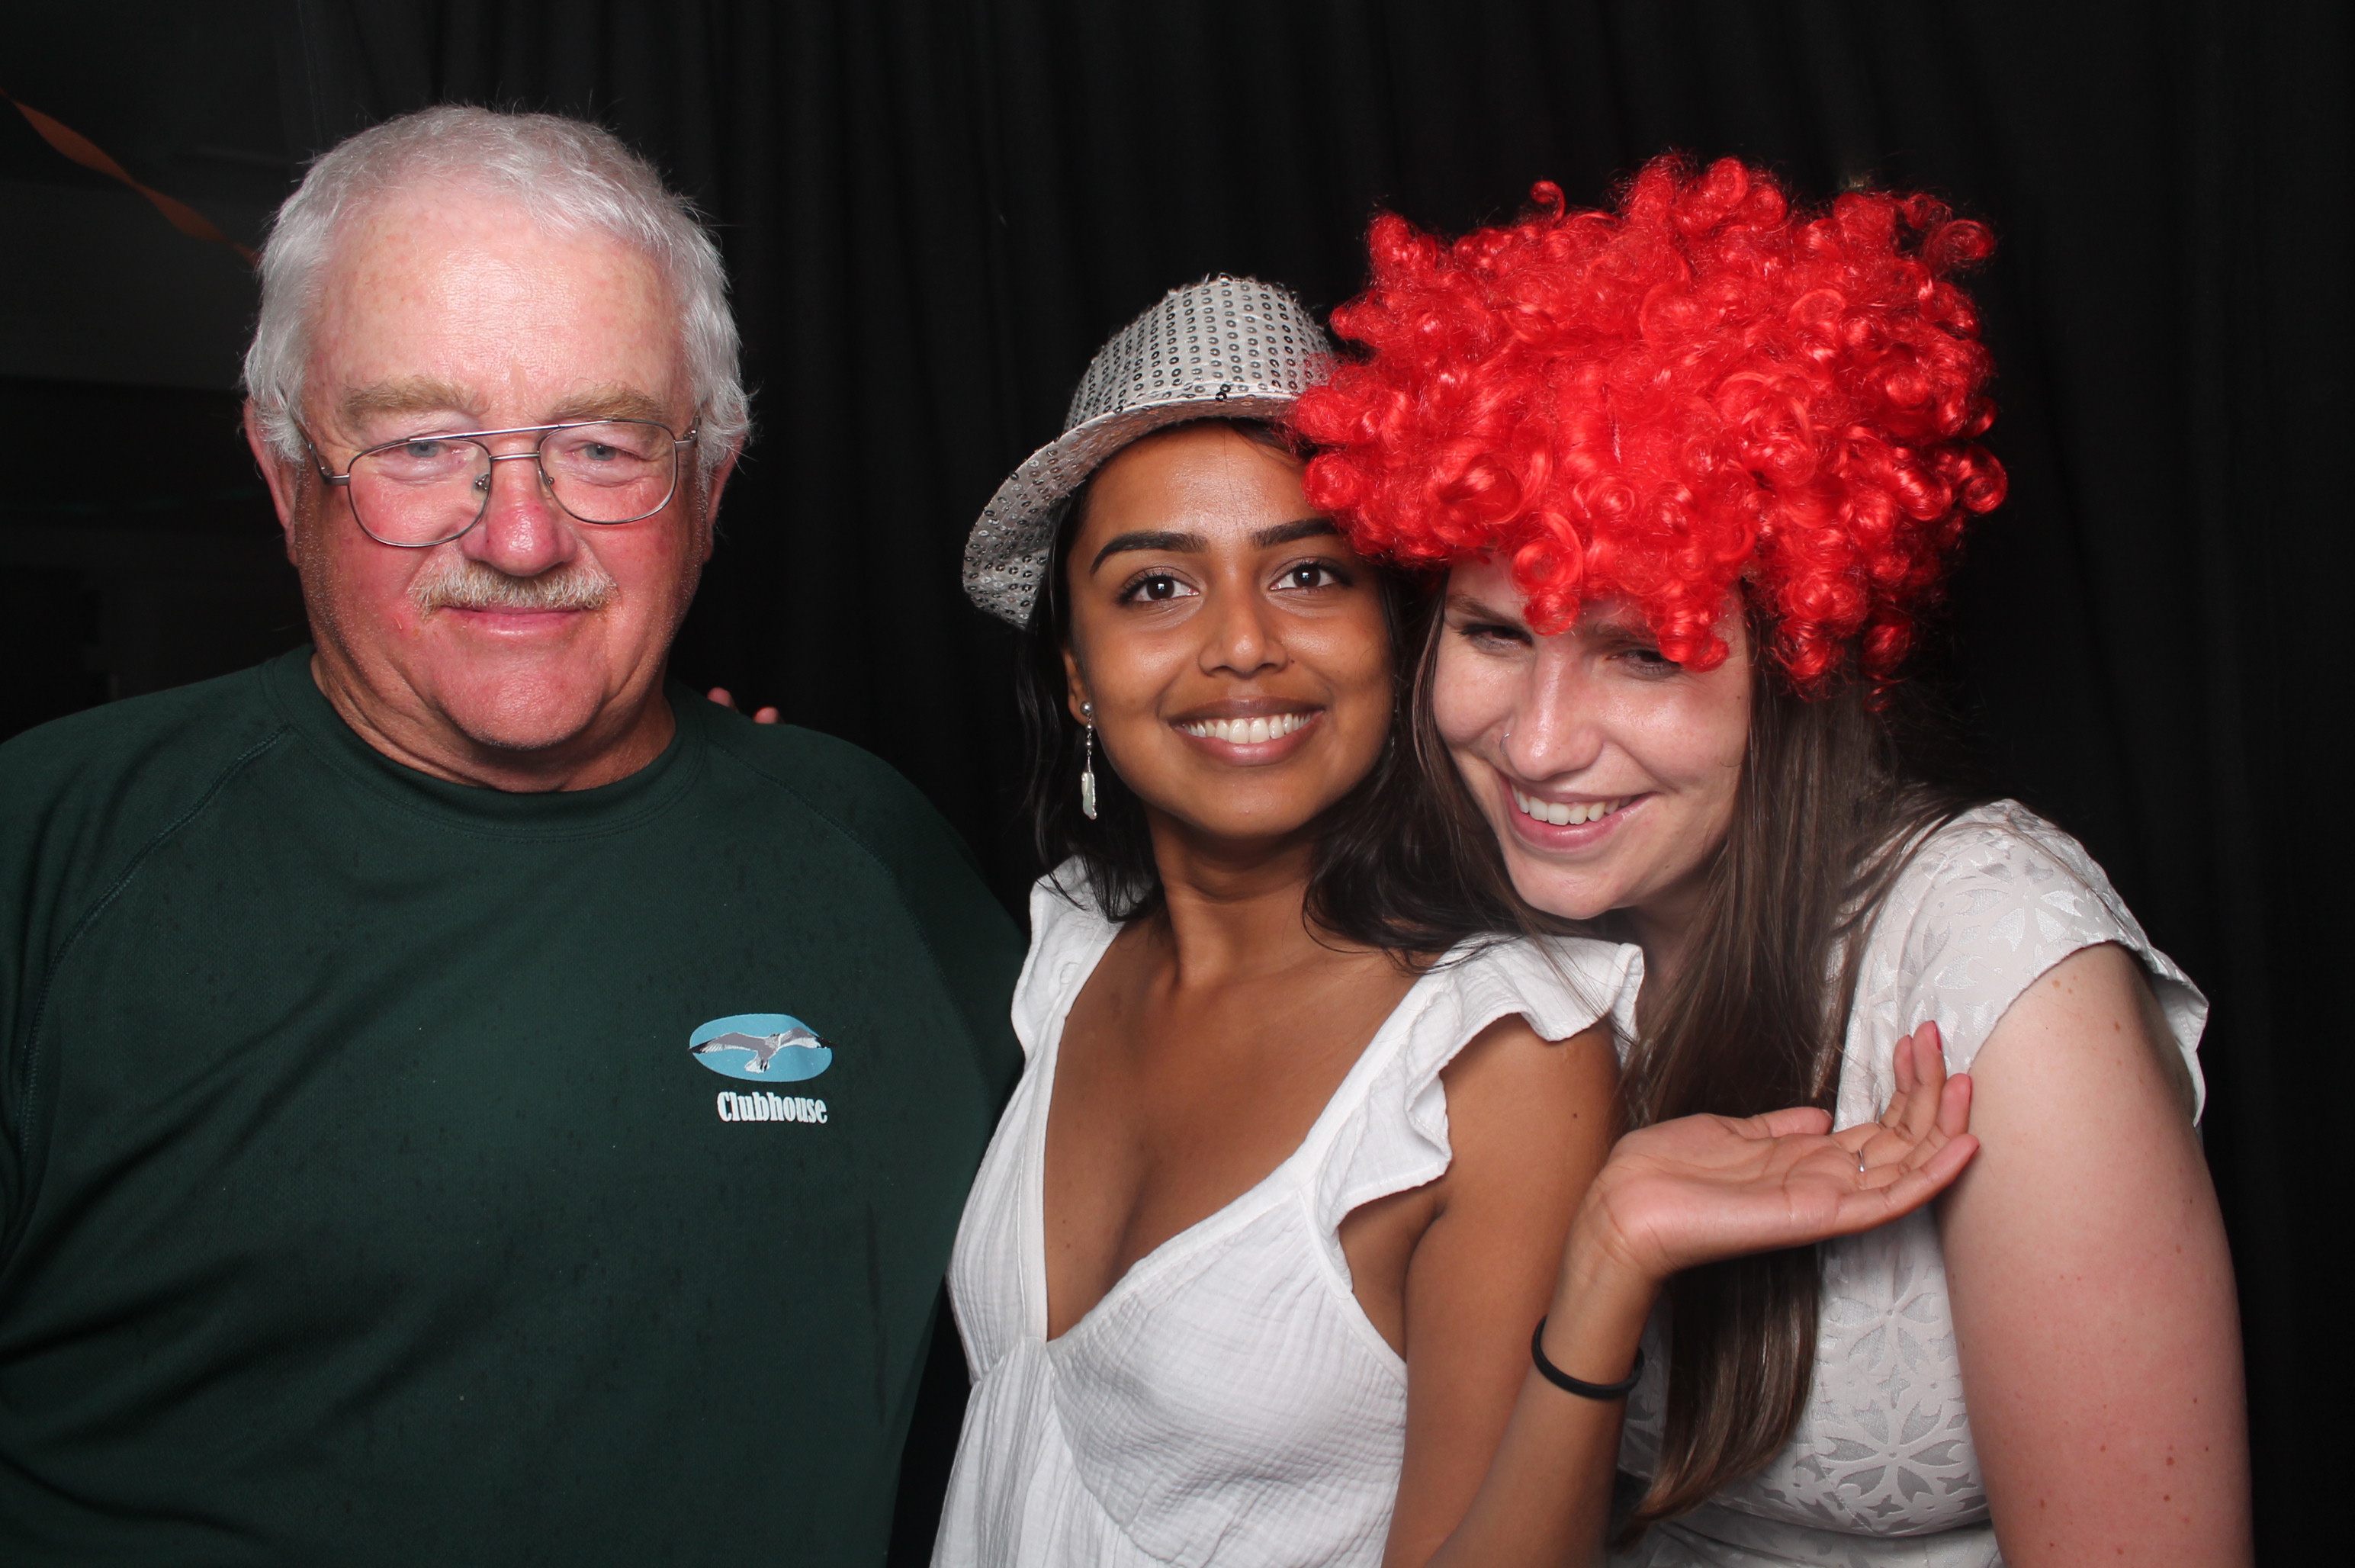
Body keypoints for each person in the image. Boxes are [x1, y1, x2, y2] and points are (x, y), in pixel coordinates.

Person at [0, 107, 1019, 1564]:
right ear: (285, 479)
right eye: (422, 445)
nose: (522, 537)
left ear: (711, 485)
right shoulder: (47, 857)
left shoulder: (883, 855)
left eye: (603, 445)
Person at [1295, 155, 2252, 1566]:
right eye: (1495, 634)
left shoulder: (1999, 969)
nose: (1540, 746)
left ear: (1805, 660)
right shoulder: (1453, 921)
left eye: (1643, 655)